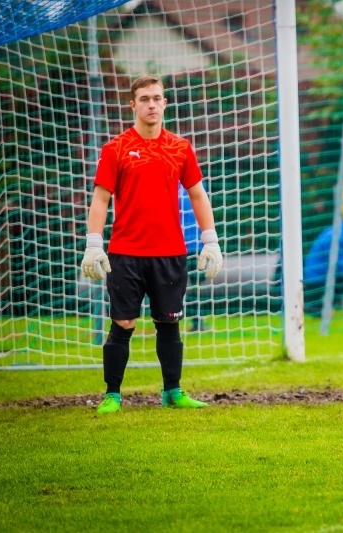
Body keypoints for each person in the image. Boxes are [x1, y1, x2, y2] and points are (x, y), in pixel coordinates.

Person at [80, 75, 223, 414]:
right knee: (123, 324)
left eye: (157, 98)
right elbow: (100, 199)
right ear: (132, 105)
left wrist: (211, 241)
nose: (152, 104)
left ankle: (172, 392)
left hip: (170, 253)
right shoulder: (114, 148)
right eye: (144, 99)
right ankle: (112, 395)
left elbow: (198, 194)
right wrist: (93, 244)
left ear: (165, 103)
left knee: (169, 322)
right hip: (126, 254)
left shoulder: (181, 147)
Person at [180, 184, 210, 332]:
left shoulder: (199, 184)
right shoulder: (172, 184)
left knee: (196, 284)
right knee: (184, 284)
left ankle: (198, 321)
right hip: (179, 244)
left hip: (196, 245)